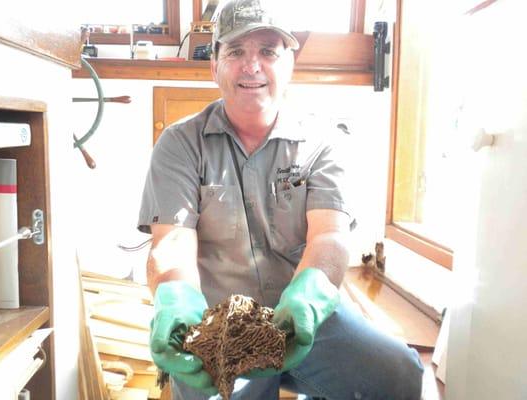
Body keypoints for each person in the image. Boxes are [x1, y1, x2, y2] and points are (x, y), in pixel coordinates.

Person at [138, 0, 424, 398]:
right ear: (213, 65)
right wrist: (175, 294)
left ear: (289, 64)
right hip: (214, 321)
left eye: (268, 52)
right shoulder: (180, 143)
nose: (251, 66)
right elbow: (171, 241)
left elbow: (329, 236)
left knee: (397, 373)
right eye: (235, 51)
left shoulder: (324, 143)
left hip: (303, 313)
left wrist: (311, 290)